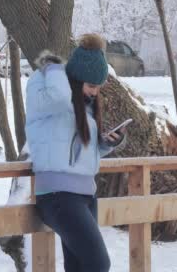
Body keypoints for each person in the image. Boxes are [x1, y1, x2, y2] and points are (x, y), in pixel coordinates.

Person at [25, 34, 126, 272]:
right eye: (91, 86)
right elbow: (60, 98)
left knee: (79, 266)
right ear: (75, 78)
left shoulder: (83, 105)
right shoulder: (44, 85)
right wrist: (55, 68)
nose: (94, 92)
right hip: (58, 196)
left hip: (85, 196)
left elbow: (77, 152)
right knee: (98, 263)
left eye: (98, 87)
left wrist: (106, 144)